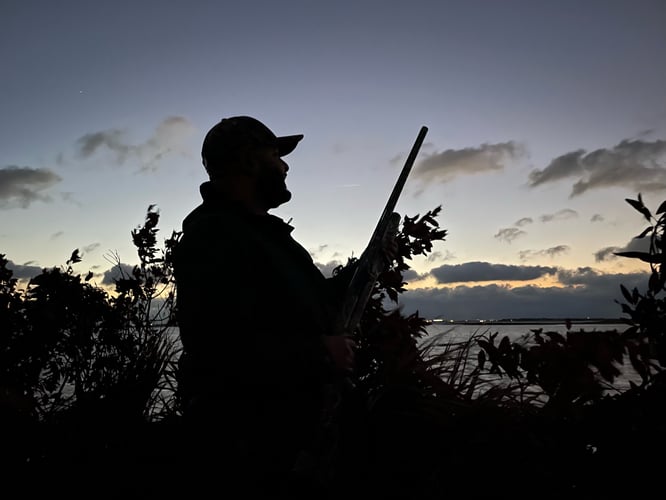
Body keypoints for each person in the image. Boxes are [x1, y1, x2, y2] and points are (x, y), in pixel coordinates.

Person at [172, 116, 359, 498]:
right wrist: (320, 353)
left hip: (295, 448)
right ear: (248, 160)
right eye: (277, 154)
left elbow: (316, 305)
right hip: (252, 459)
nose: (286, 165)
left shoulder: (269, 237)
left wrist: (365, 268)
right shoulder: (212, 236)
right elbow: (216, 349)